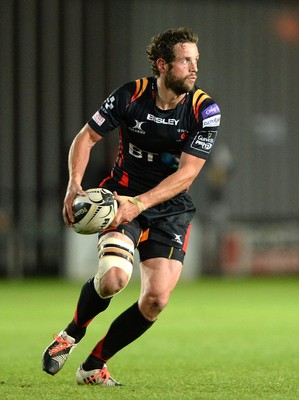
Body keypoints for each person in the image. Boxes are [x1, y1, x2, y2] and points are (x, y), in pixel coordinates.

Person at [42, 27, 221, 387]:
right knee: (113, 279)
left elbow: (187, 175)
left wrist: (140, 204)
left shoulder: (205, 110)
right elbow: (86, 137)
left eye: (196, 61)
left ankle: (94, 365)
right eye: (186, 60)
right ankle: (71, 333)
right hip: (120, 198)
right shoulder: (130, 96)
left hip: (168, 208)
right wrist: (74, 185)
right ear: (162, 65)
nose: (193, 68)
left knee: (155, 300)